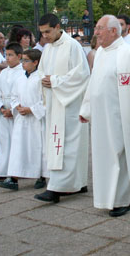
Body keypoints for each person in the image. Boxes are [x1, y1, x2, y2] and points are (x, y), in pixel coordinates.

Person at [80, 15, 130, 217]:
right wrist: (86, 109)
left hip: (121, 115)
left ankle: (121, 199)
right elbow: (94, 83)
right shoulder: (101, 52)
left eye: (99, 28)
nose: (95, 33)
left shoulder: (126, 53)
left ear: (113, 31)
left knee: (119, 154)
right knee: (106, 156)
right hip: (102, 116)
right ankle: (127, 191)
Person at [34, 13, 90, 203]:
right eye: (42, 33)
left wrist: (56, 81)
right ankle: (78, 182)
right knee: (58, 144)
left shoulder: (72, 46)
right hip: (54, 103)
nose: (45, 36)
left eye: (48, 31)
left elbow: (82, 74)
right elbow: (41, 71)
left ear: (58, 27)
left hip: (70, 105)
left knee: (68, 146)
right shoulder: (48, 49)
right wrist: (44, 80)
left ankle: (56, 188)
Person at [0, 49, 48, 191]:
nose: (23, 63)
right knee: (18, 148)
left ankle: (41, 176)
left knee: (37, 147)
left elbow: (46, 100)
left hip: (36, 120)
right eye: (23, 60)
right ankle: (13, 178)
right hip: (21, 120)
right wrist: (17, 106)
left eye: (26, 61)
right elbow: (13, 96)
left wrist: (31, 109)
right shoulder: (20, 78)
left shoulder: (41, 78)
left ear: (35, 62)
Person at [0, 43, 24, 184]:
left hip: (16, 113)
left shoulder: (22, 72)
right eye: (6, 55)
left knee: (17, 142)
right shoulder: (3, 73)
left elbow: (22, 93)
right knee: (3, 142)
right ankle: (0, 171)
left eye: (11, 55)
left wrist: (12, 110)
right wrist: (1, 107)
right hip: (3, 113)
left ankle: (16, 171)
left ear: (19, 56)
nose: (7, 58)